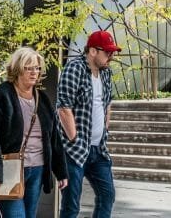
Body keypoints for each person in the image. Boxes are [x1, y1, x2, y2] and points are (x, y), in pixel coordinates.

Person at [0, 46, 68, 218]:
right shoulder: (2, 95)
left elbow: (54, 138)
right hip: (8, 171)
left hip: (37, 170)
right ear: (18, 69)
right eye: (29, 67)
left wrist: (61, 171)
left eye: (37, 67)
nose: (34, 72)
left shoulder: (42, 99)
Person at [56, 30, 119, 218]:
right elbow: (64, 107)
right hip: (74, 151)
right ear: (92, 51)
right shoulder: (74, 69)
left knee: (107, 196)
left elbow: (107, 102)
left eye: (112, 53)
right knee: (71, 206)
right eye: (107, 53)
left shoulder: (106, 73)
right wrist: (74, 139)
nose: (111, 56)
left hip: (98, 150)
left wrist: (105, 129)